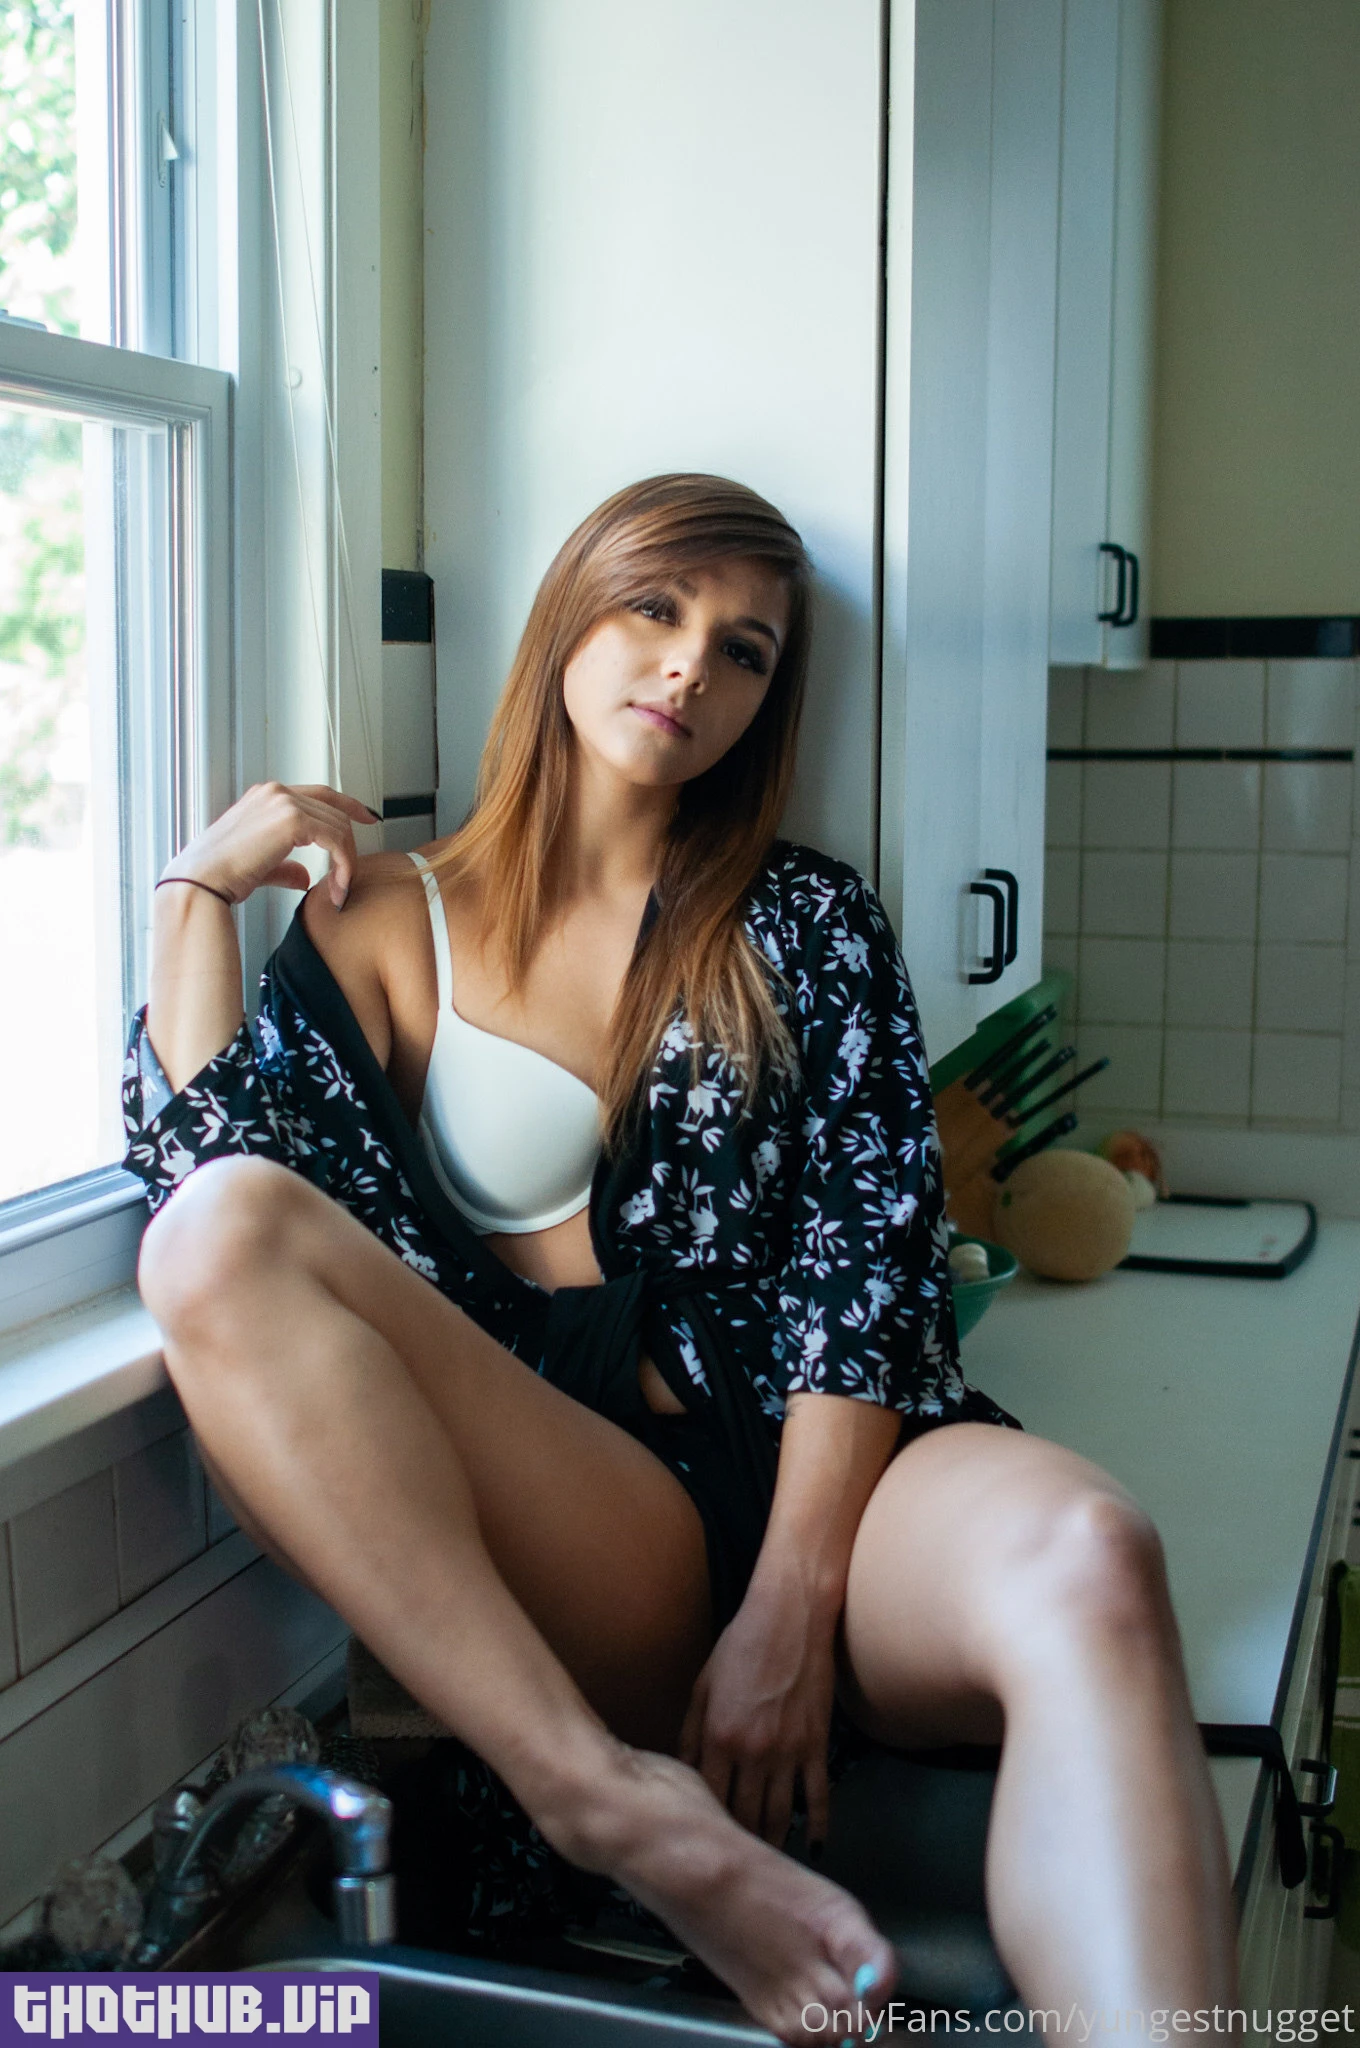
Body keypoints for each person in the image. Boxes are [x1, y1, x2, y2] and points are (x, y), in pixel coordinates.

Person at [125, 475, 1239, 2042]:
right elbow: (216, 1191)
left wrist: (793, 1604)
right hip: (595, 1497)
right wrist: (193, 896)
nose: (690, 668)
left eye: (744, 651)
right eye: (656, 609)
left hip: (838, 1471)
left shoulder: (808, 921)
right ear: (569, 617)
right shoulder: (381, 919)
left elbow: (869, 1265)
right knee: (221, 1228)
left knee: (1095, 1558)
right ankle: (599, 1800)